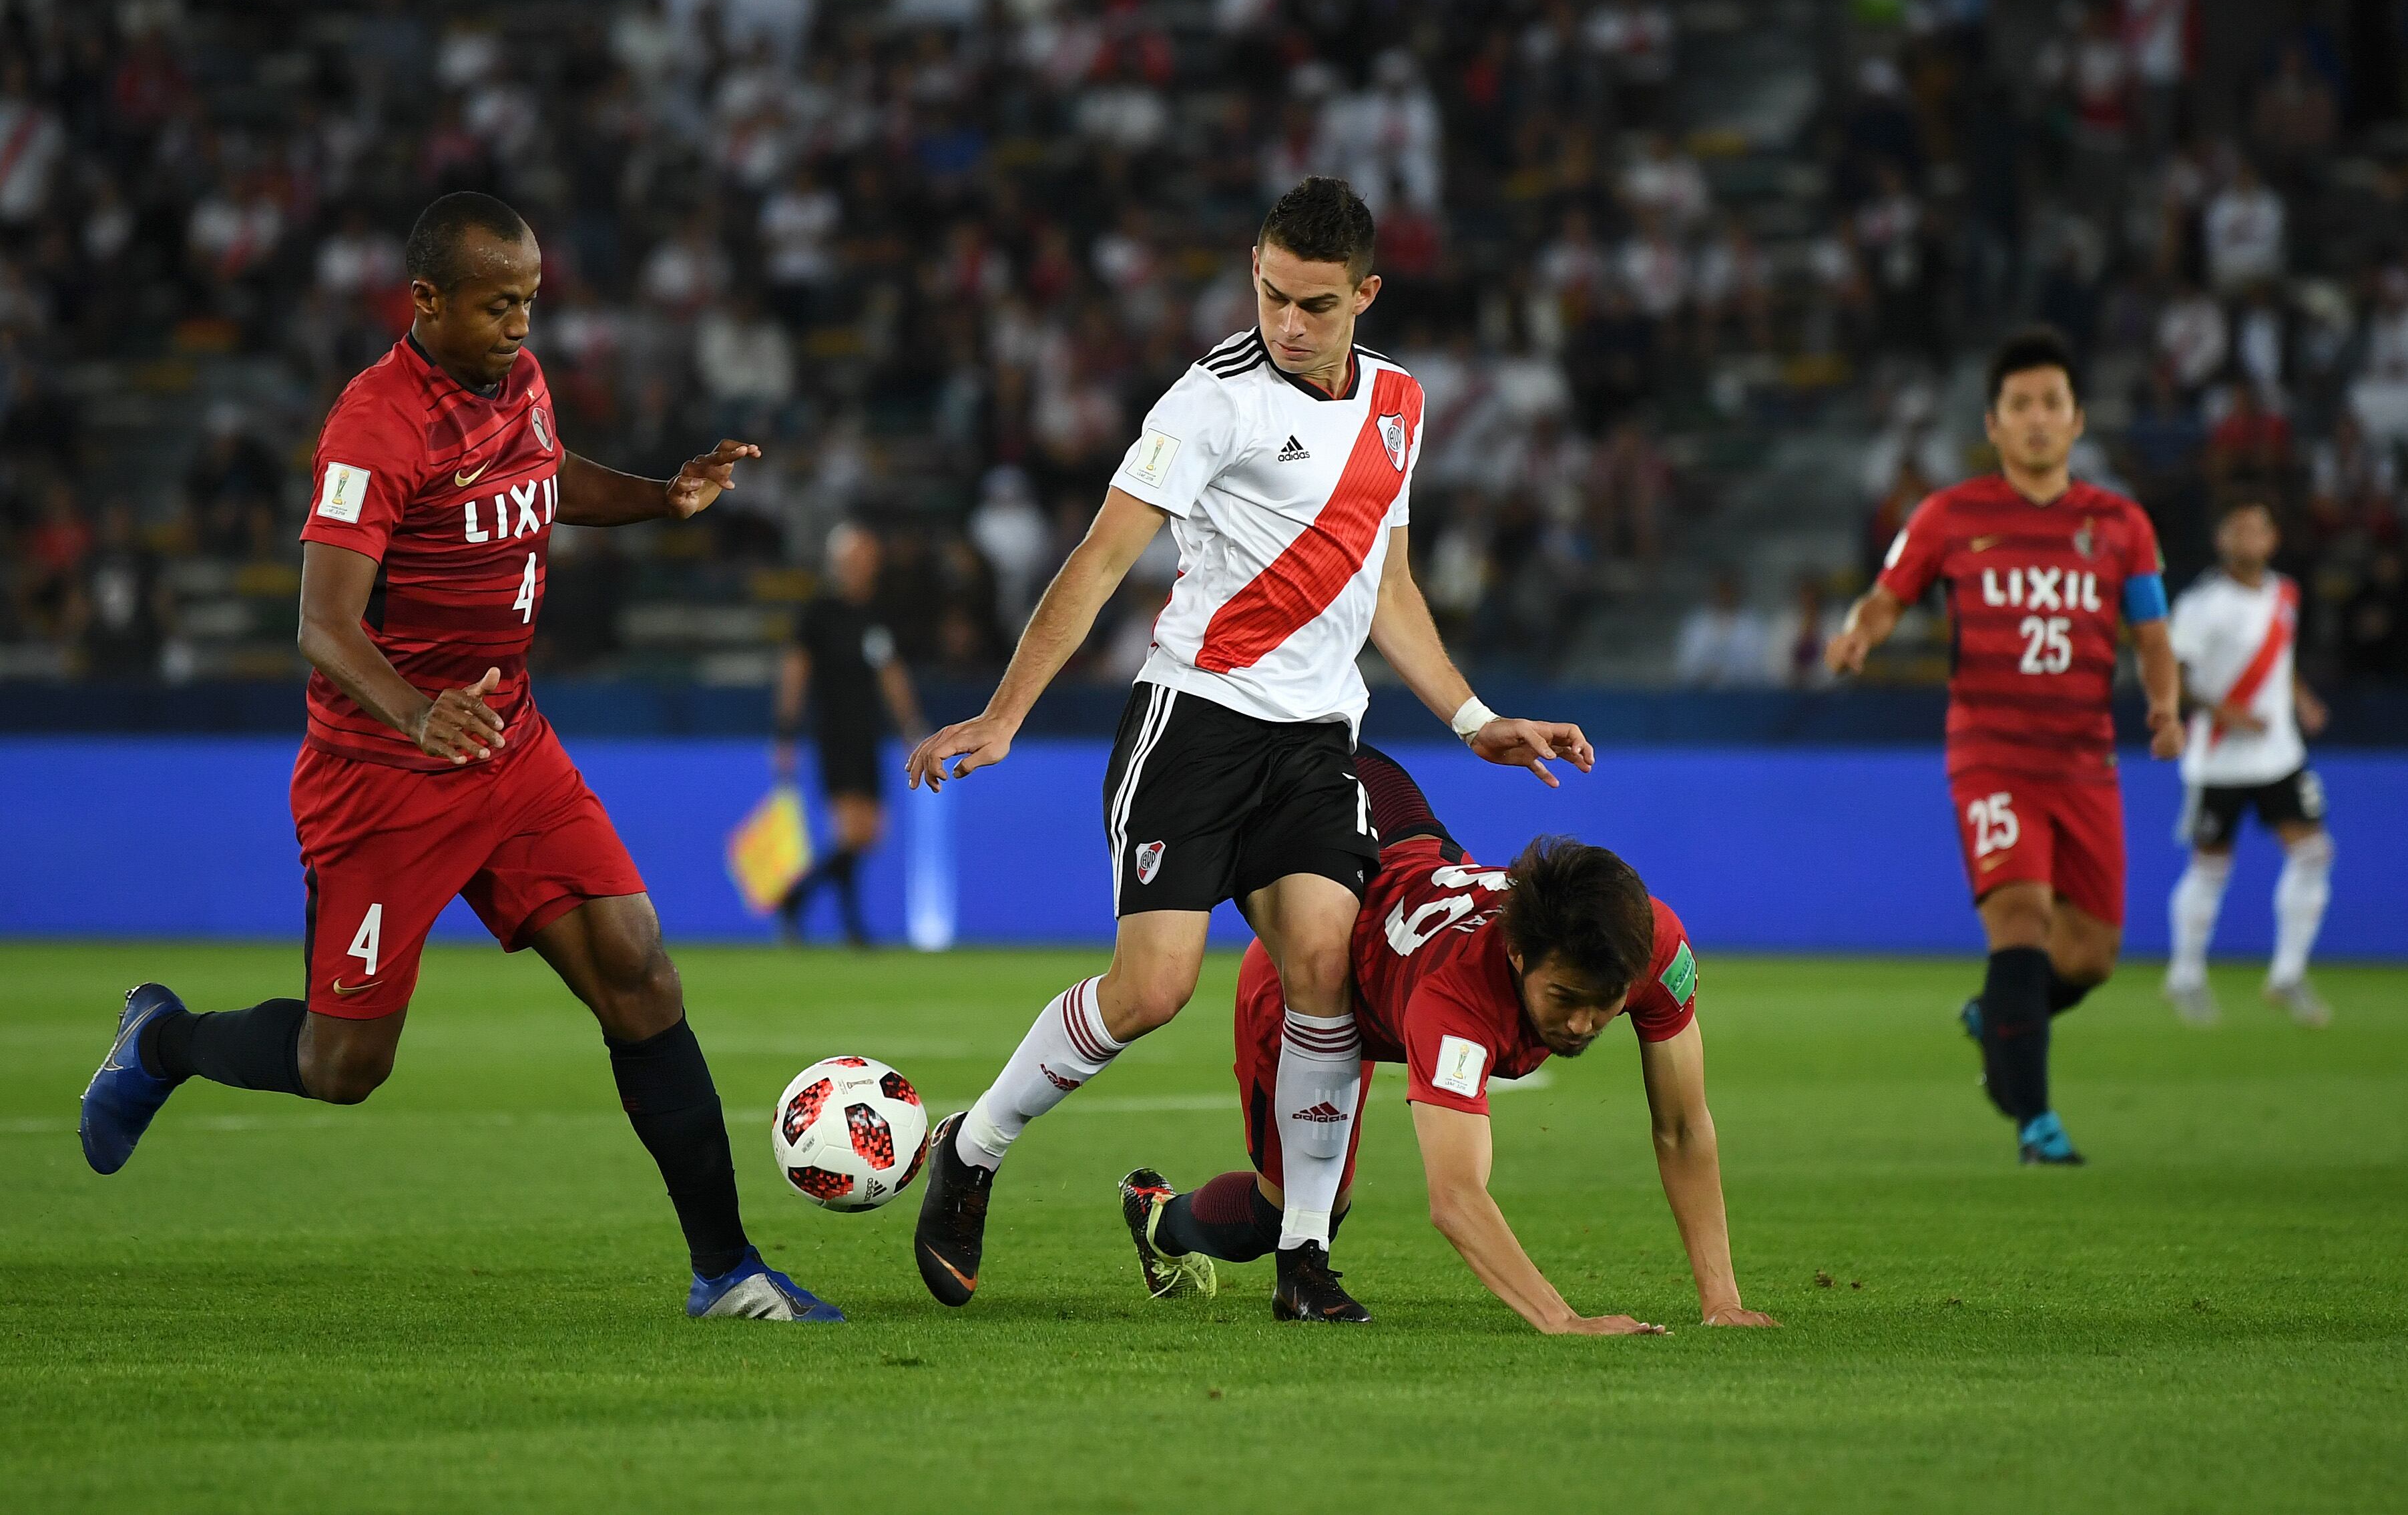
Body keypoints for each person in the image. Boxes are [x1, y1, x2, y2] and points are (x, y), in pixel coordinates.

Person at [76, 193, 840, 1324]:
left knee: (636, 967)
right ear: (426, 301)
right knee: (347, 1069)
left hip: (510, 745)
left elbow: (546, 477)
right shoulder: (374, 424)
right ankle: (165, 1041)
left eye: (530, 301)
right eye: (498, 305)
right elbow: (323, 624)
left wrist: (659, 497)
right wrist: (414, 713)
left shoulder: (517, 385)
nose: (521, 326)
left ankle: (726, 1270)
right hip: (384, 777)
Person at [903, 176, 1591, 1322]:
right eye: (1269, 293)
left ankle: (1304, 1260)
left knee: (1322, 965)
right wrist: (1007, 712)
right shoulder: (1205, 403)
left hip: (1317, 740)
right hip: (1195, 723)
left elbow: (1388, 586)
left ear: (1365, 294)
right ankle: (971, 1150)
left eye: (1313, 304)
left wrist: (1475, 720)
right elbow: (1097, 558)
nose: (1284, 322)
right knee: (1154, 989)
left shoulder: (1400, 407)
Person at [1117, 746, 1777, 1334]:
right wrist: (1561, 1318)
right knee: (1285, 1211)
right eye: (1565, 999)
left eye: (1604, 1003)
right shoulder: (1456, 1000)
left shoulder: (1653, 945)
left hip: (1402, 914)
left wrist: (1720, 1298)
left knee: (1314, 1208)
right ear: (1518, 954)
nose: (1581, 1025)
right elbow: (1456, 1195)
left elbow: (1684, 1127)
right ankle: (1159, 1217)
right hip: (1309, 979)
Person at [1826, 326, 2182, 1166]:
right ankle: (2036, 1122)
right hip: (1991, 756)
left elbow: (2153, 633)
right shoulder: (1948, 516)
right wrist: (1856, 636)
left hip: (2084, 762)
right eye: (2018, 404)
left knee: (2090, 956)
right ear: (1992, 422)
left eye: (2050, 404)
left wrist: (2164, 707)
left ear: (2076, 419)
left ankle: (2000, 1017)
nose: (2035, 419)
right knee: (2019, 921)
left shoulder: (2121, 523)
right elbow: (1885, 597)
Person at [2162, 500, 2334, 1028]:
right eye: (2237, 528)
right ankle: (2185, 976)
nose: (2248, 537)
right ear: (2221, 541)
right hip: (2218, 759)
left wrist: (2302, 698)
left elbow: (2278, 658)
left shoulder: (2285, 593)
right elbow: (2173, 676)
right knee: (2211, 865)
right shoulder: (2200, 604)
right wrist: (2222, 711)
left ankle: (2286, 973)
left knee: (2312, 852)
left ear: (2272, 539)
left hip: (2278, 753)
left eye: (2257, 527)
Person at [772, 521, 928, 945]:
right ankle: (851, 925)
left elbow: (891, 675)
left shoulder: (876, 617)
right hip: (834, 733)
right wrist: (785, 733)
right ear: (837, 564)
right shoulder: (820, 615)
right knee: (854, 831)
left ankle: (798, 899)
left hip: (867, 734)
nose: (860, 567)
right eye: (852, 559)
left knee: (870, 833)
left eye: (865, 558)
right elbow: (795, 672)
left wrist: (910, 727)